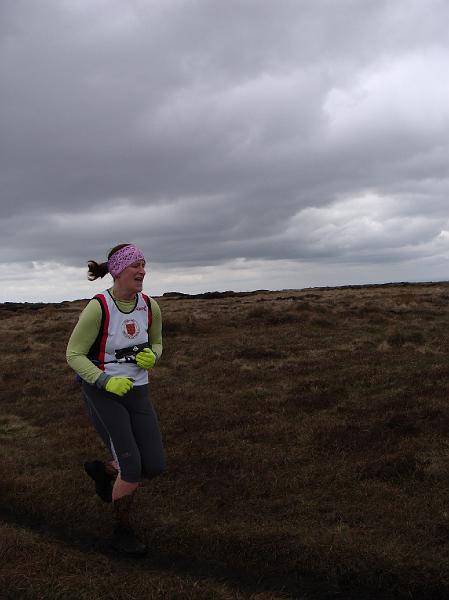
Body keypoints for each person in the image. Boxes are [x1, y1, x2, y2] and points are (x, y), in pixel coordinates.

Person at [66, 243, 165, 556]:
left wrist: (154, 357)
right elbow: (73, 354)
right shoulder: (99, 307)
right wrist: (105, 381)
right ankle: (121, 532)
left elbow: (158, 342)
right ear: (119, 269)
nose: (142, 271)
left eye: (144, 265)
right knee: (132, 466)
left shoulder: (149, 305)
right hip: (103, 392)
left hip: (138, 390)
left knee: (155, 464)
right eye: (136, 265)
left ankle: (104, 470)